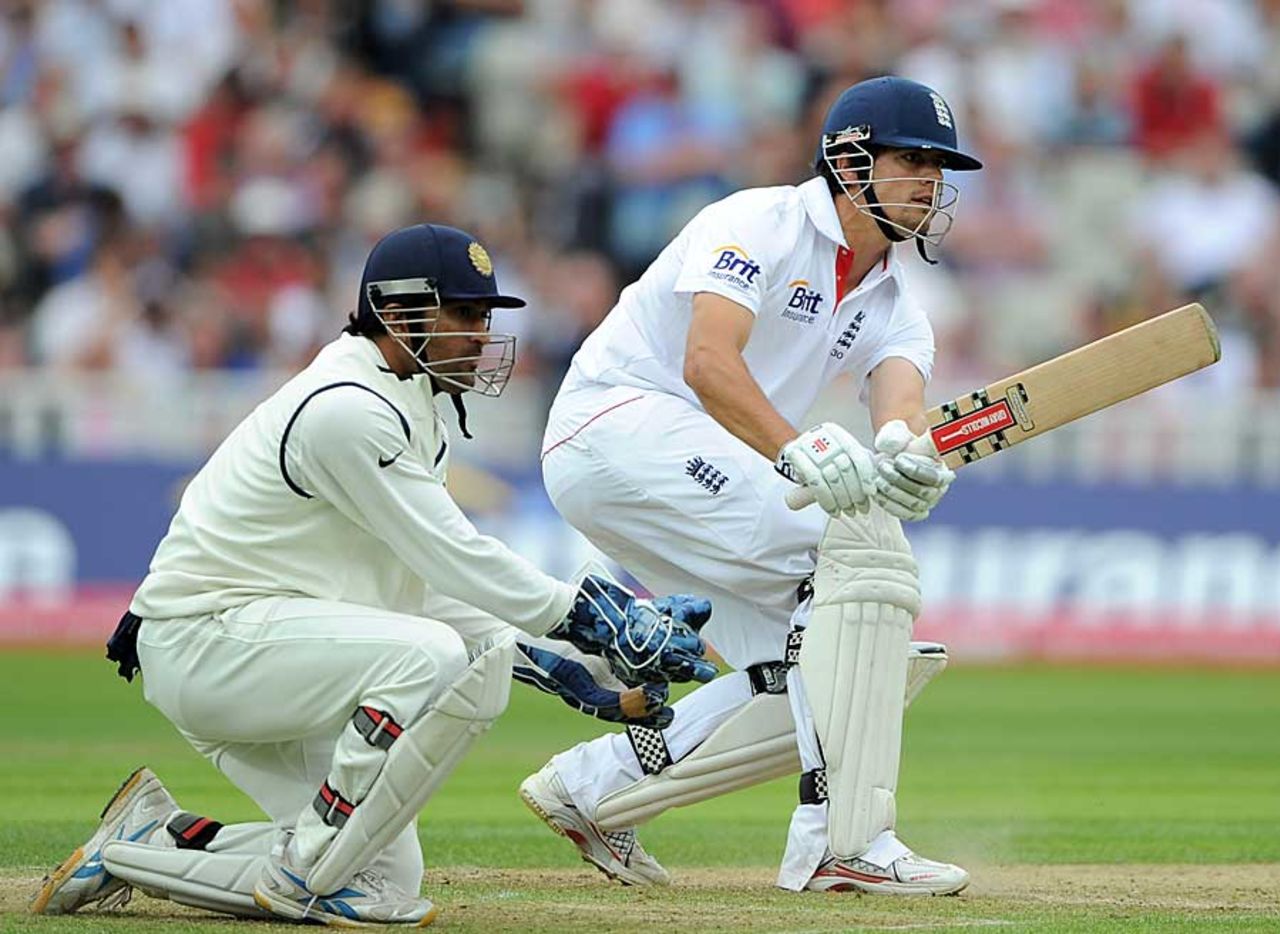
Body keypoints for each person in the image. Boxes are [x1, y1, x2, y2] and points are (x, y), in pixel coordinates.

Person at [30, 223, 715, 926]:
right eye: (466, 314)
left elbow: (429, 583)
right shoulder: (346, 409)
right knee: (428, 656)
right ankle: (307, 869)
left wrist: (577, 666)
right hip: (210, 643)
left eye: (486, 317)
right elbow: (456, 556)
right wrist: (599, 617)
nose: (482, 335)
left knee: (384, 875)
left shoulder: (419, 406)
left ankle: (145, 839)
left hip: (284, 647)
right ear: (401, 312)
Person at [520, 76, 980, 894]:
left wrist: (910, 459)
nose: (932, 183)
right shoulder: (754, 222)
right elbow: (707, 363)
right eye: (913, 159)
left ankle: (595, 790)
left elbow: (901, 410)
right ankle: (846, 838)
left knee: (852, 667)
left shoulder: (898, 303)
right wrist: (797, 450)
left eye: (940, 168)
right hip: (618, 424)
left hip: (669, 469)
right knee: (860, 553)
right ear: (848, 159)